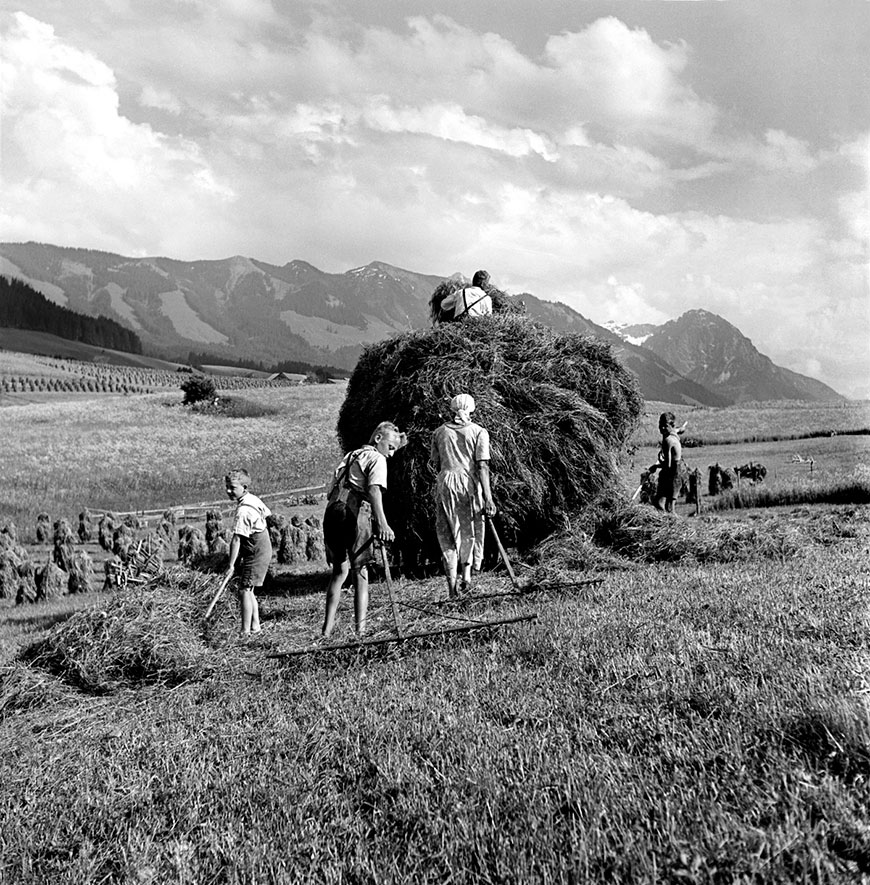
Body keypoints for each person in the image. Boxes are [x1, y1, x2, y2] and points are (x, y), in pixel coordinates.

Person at [322, 421, 407, 638]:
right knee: (360, 571)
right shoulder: (377, 459)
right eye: (390, 447)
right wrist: (383, 523)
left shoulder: (351, 456)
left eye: (395, 450)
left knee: (339, 572)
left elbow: (333, 487)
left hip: (332, 511)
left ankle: (326, 630)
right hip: (354, 512)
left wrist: (399, 440)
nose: (392, 454)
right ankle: (361, 631)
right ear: (378, 439)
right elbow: (374, 491)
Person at [430, 393, 497, 597]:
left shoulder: (439, 432)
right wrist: (488, 498)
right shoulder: (479, 432)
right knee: (467, 530)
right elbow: (482, 466)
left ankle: (452, 587)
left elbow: (435, 462)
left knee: (448, 532)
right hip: (467, 484)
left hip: (445, 483)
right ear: (472, 409)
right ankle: (467, 577)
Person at [224, 468, 273, 636]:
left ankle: (244, 631)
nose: (229, 491)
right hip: (261, 548)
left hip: (256, 552)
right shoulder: (252, 499)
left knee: (244, 590)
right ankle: (255, 626)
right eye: (227, 487)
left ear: (244, 487)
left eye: (233, 487)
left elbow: (237, 539)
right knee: (249, 589)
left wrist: (231, 565)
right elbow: (266, 513)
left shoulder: (243, 511)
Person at [652, 412, 683, 513]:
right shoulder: (673, 434)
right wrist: (680, 429)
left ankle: (668, 524)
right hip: (678, 473)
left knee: (661, 504)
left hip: (672, 474)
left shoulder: (668, 441)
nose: (662, 428)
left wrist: (655, 466)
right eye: (660, 425)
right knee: (669, 505)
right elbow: (678, 430)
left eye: (665, 426)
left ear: (671, 425)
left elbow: (668, 465)